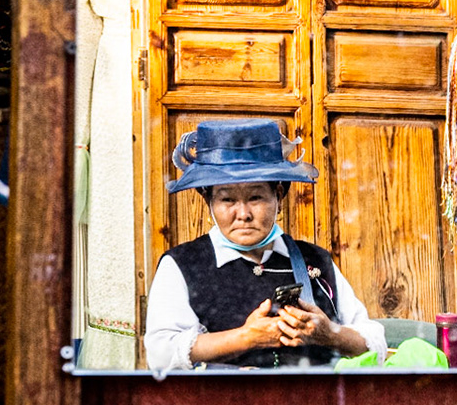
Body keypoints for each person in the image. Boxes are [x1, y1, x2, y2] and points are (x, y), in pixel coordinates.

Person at [143, 119, 386, 371]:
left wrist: (329, 334)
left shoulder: (315, 260)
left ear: (278, 194)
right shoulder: (182, 265)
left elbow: (375, 344)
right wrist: (246, 337)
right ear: (208, 200)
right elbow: (161, 355)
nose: (243, 213)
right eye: (227, 199)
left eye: (256, 197)